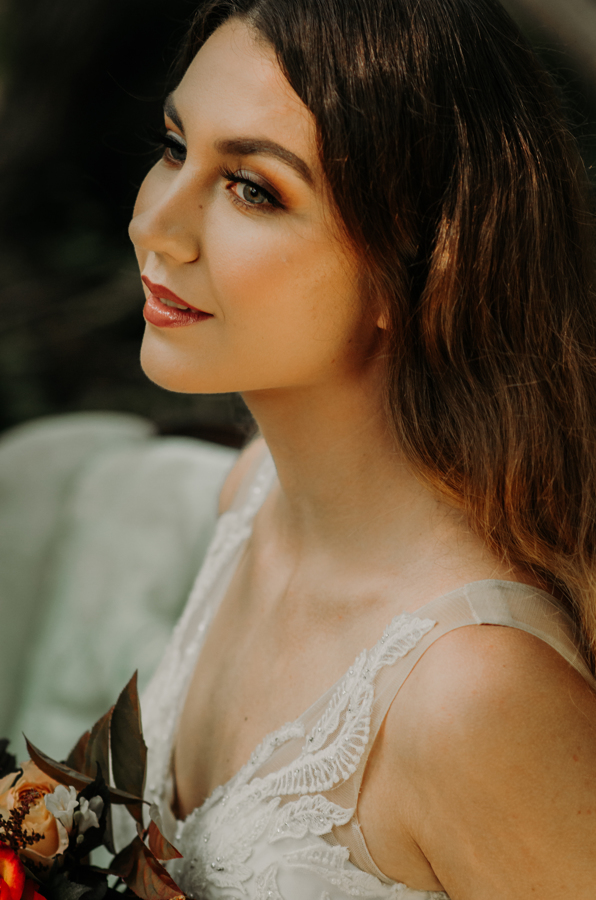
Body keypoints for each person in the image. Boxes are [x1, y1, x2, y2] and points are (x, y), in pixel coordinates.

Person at [127, 0, 596, 896]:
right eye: (176, 148)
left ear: (419, 264)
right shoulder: (253, 500)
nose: (157, 225)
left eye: (253, 188)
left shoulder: (474, 695)